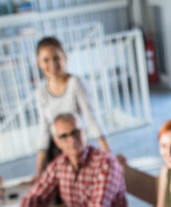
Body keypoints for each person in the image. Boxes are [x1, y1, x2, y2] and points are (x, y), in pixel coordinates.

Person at [19, 112, 128, 207]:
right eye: (64, 136)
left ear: (84, 132)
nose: (71, 140)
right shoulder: (59, 164)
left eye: (75, 132)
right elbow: (34, 195)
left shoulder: (106, 163)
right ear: (56, 142)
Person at [31, 36, 117, 181]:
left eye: (56, 58)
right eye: (46, 60)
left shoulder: (75, 83)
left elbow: (91, 119)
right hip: (55, 153)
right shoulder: (40, 92)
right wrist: (38, 172)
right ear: (39, 63)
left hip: (76, 148)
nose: (52, 64)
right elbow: (44, 131)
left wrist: (110, 157)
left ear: (64, 57)